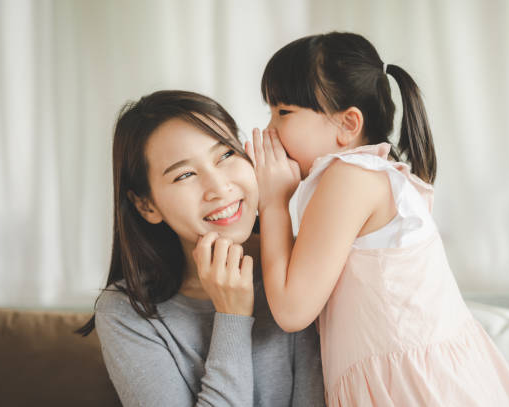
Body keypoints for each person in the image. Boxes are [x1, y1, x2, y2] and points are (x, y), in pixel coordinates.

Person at [248, 32, 509, 406]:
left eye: (283, 112)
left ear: (348, 124)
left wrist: (273, 202)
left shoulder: (349, 178)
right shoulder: (374, 175)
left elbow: (291, 310)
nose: (268, 130)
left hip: (411, 389)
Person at [76, 90, 325, 406]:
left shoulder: (304, 264)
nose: (219, 188)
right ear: (146, 205)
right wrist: (231, 315)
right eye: (185, 175)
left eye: (225, 155)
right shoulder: (126, 311)